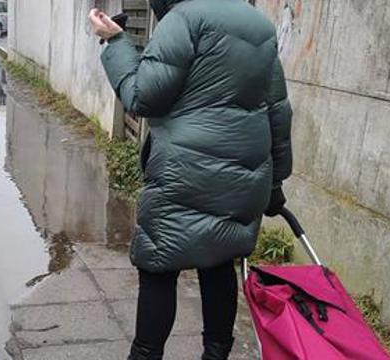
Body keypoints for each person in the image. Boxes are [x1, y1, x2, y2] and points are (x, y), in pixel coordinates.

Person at [88, 0, 293, 359]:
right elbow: (277, 109)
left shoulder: (183, 19)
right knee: (217, 263)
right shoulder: (259, 25)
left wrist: (116, 42)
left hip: (184, 174)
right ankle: (216, 355)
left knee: (158, 266)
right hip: (243, 175)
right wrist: (276, 183)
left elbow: (143, 97)